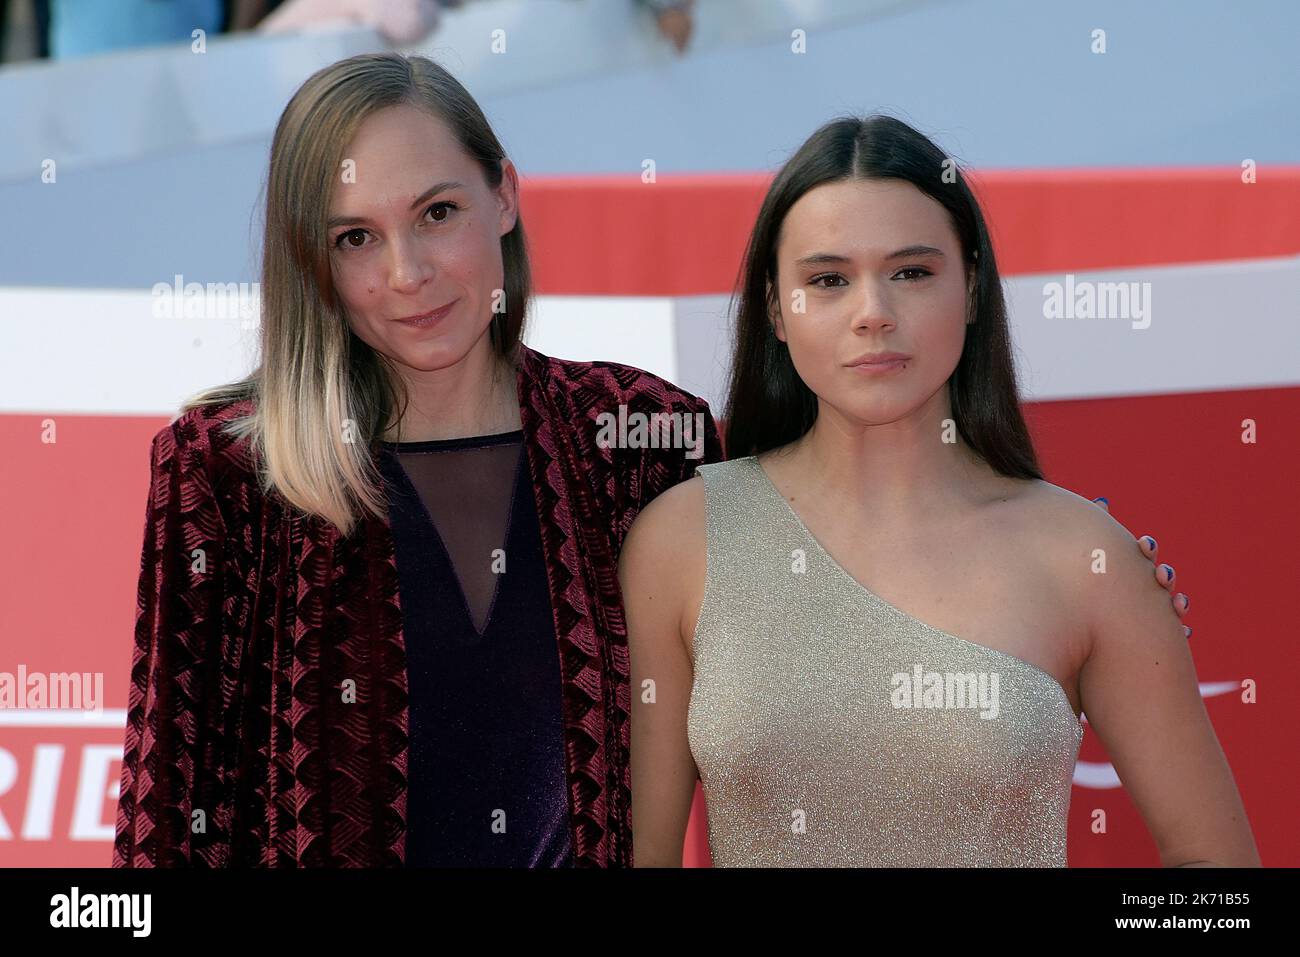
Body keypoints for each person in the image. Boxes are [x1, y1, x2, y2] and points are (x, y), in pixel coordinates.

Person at [112, 51, 721, 868]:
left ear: (503, 194)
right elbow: (164, 824)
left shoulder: (644, 441)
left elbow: (756, 768)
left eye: (437, 212)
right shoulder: (225, 478)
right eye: (357, 237)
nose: (409, 273)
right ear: (313, 264)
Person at [621, 115, 1256, 867]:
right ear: (775, 310)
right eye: (827, 280)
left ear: (974, 288)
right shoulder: (682, 540)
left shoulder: (1085, 556)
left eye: (912, 272)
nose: (873, 313)